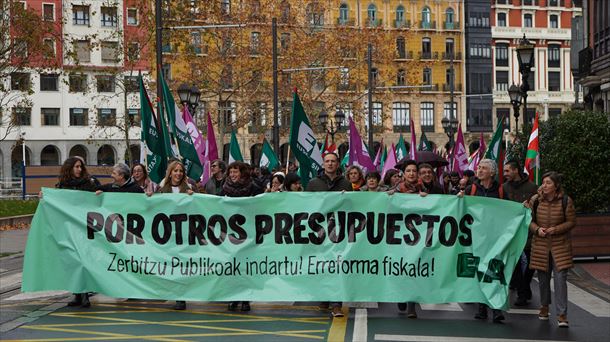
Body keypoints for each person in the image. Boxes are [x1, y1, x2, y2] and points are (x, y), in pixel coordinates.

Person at [459, 159, 505, 323]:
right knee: (479, 270)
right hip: (475, 237)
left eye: (483, 168)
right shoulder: (472, 189)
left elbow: (509, 209)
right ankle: (482, 307)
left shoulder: (500, 189)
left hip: (494, 237)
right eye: (479, 167)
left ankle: (496, 308)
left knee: (494, 272)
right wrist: (460, 198)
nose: (479, 170)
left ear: (492, 173)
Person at [306, 152, 352, 317]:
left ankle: (336, 304)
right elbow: (305, 206)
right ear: (323, 164)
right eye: (327, 161)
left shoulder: (346, 184)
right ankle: (324, 297)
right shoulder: (313, 184)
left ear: (338, 164)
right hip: (319, 232)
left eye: (333, 161)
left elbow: (351, 206)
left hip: (339, 233)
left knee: (337, 266)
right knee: (322, 266)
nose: (330, 164)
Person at [528, 172, 575, 328]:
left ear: (556, 185)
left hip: (560, 245)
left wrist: (556, 229)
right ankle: (544, 306)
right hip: (541, 245)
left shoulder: (566, 201)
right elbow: (529, 221)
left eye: (548, 183)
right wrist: (537, 229)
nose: (544, 185)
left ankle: (562, 314)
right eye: (543, 182)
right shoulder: (535, 200)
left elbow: (571, 222)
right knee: (543, 280)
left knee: (561, 280)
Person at [54, 157, 98, 308]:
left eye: (81, 167)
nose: (79, 169)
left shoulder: (88, 184)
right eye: (76, 167)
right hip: (69, 228)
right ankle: (77, 294)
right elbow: (56, 203)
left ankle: (85, 294)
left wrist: (98, 194)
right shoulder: (63, 185)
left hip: (84, 227)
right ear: (70, 168)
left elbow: (95, 201)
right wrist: (45, 197)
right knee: (73, 261)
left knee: (83, 261)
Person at [154, 160, 194, 310]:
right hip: (167, 233)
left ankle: (181, 297)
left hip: (183, 233)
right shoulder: (162, 189)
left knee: (181, 264)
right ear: (170, 173)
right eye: (175, 171)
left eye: (181, 171)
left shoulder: (189, 188)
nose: (178, 173)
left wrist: (193, 197)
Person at [224, 161, 262, 312]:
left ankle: (245, 298)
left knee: (246, 267)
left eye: (235, 172)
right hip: (231, 233)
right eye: (231, 172)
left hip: (249, 232)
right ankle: (234, 297)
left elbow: (262, 203)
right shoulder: (225, 189)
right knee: (232, 267)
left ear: (242, 173)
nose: (232, 175)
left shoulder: (253, 187)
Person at [393, 160, 426, 318]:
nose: (411, 173)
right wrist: (389, 197)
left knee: (414, 269)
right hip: (399, 235)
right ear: (404, 174)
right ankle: (401, 296)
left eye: (414, 171)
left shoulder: (424, 189)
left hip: (417, 236)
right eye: (408, 171)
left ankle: (411, 306)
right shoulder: (397, 189)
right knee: (401, 267)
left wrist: (427, 198)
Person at [503, 160, 538, 306]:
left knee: (531, 262)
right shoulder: (504, 187)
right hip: (512, 230)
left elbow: (538, 206)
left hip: (529, 229)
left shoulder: (532, 187)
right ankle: (522, 292)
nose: (505, 174)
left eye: (507, 171)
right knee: (514, 263)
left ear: (516, 170)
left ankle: (525, 285)